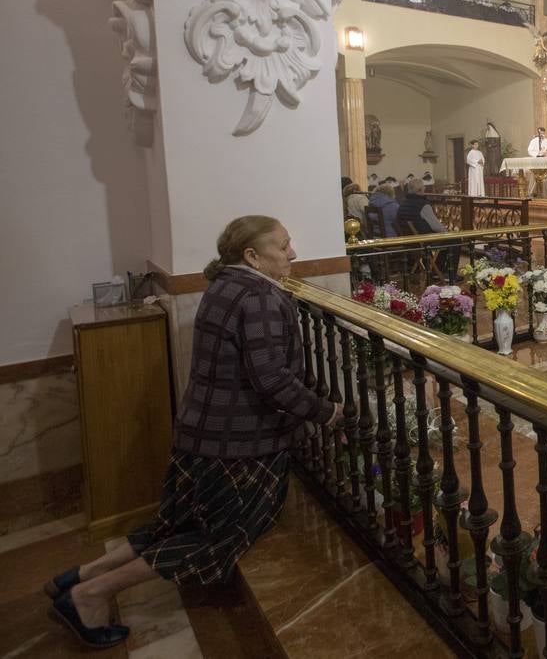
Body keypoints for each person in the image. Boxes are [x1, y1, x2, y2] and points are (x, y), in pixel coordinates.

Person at [42, 216, 340, 649]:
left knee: (174, 522)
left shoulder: (223, 284)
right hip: (238, 444)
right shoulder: (257, 297)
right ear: (252, 256)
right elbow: (272, 380)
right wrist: (326, 411)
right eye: (283, 245)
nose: (292, 254)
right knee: (217, 539)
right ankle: (89, 594)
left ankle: (82, 575)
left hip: (200, 435)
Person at [525, 127, 547, 197]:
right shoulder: (534, 141)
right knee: (535, 177)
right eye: (541, 133)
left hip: (545, 163)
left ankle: (546, 193)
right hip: (536, 162)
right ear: (538, 133)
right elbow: (530, 151)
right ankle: (534, 192)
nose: (542, 135)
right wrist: (538, 154)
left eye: (543, 133)